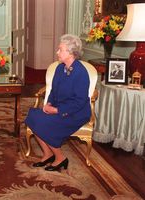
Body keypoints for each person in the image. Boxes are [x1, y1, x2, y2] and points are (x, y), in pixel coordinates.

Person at [24, 34, 91, 171]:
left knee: (44, 122)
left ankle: (60, 158)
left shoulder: (80, 73)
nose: (57, 52)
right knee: (33, 116)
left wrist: (57, 111)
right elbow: (53, 90)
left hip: (76, 112)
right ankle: (47, 153)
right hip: (59, 107)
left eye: (60, 49)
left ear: (71, 53)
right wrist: (48, 104)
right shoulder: (60, 68)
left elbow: (80, 101)